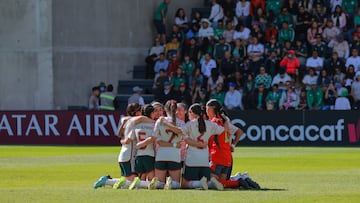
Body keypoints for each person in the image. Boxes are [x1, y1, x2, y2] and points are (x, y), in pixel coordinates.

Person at [180, 103, 226, 190]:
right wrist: (226, 120)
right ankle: (211, 183)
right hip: (204, 159)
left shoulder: (189, 124)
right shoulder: (210, 124)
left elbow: (183, 137)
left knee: (184, 184)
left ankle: (200, 184)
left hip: (192, 159)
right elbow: (223, 130)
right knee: (205, 179)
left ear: (191, 113)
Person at [150, 100, 184, 190]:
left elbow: (158, 140)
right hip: (175, 156)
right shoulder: (181, 123)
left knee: (160, 184)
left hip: (161, 155)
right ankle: (170, 183)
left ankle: (158, 184)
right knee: (176, 184)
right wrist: (174, 144)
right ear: (176, 109)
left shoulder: (160, 121)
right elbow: (183, 136)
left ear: (165, 109)